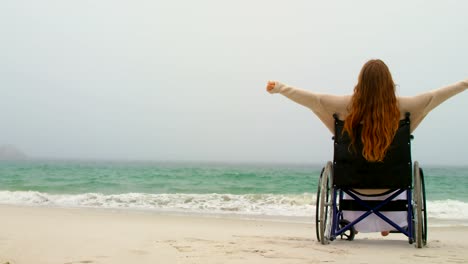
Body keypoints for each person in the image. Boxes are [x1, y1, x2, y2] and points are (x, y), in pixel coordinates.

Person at [266, 59, 467, 236]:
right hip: (394, 193)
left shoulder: (344, 106)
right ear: (389, 83)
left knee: (326, 115)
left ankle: (366, 223)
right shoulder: (405, 107)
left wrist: (280, 88)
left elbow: (314, 100)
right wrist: (464, 84)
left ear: (360, 83)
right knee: (419, 116)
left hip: (353, 194)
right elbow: (434, 96)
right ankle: (387, 224)